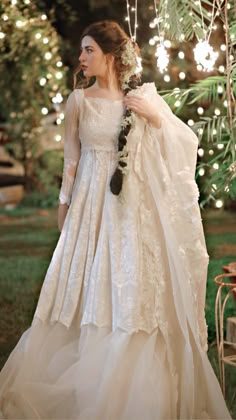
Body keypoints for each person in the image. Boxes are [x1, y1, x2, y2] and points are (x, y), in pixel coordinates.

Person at [0, 20, 231, 420]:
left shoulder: (138, 97)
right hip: (90, 204)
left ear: (109, 55)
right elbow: (71, 160)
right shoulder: (78, 101)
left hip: (128, 209)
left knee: (127, 287)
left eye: (89, 50)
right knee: (84, 284)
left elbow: (181, 144)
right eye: (82, 50)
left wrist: (154, 118)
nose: (82, 58)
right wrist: (63, 205)